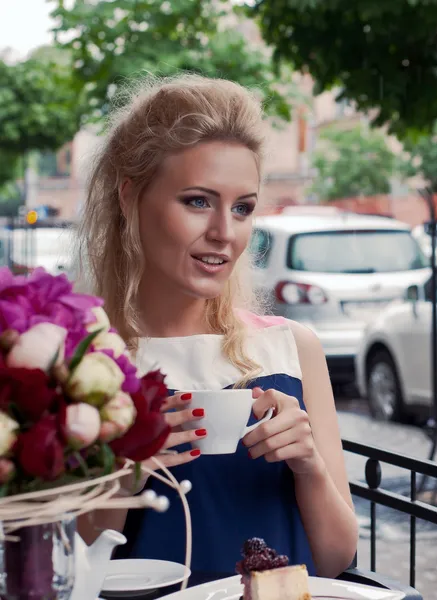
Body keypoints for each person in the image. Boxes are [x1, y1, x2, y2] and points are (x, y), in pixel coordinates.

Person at [76, 74, 358, 579]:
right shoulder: (83, 362)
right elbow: (67, 569)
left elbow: (337, 561)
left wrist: (309, 465)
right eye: (198, 201)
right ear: (129, 197)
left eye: (243, 208)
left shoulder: (292, 348)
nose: (224, 233)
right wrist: (124, 472)